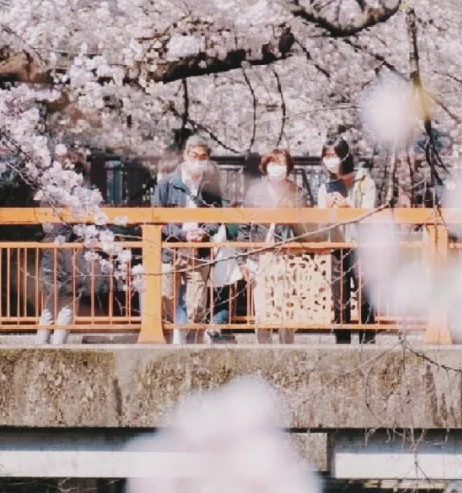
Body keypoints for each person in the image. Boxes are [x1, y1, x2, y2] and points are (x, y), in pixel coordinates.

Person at [152, 136, 230, 344]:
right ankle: (177, 334)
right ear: (185, 155)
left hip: (199, 250)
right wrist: (182, 234)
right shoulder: (166, 183)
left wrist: (205, 232)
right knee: (166, 295)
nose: (197, 160)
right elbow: (157, 219)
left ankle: (193, 341)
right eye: (193, 156)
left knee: (197, 304)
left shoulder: (210, 185)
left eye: (202, 157)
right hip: (173, 248)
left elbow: (217, 215)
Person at [244, 147, 315, 343]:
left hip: (288, 254)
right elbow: (244, 226)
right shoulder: (255, 192)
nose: (277, 168)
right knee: (262, 307)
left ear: (289, 168)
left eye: (281, 164)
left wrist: (293, 214)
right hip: (260, 253)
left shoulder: (297, 193)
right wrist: (245, 257)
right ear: (265, 167)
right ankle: (263, 349)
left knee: (287, 305)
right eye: (273, 164)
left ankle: (287, 350)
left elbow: (306, 229)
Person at [318, 136, 377, 343]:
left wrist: (347, 207)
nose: (330, 160)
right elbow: (321, 221)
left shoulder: (364, 182)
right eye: (326, 156)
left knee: (364, 293)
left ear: (344, 156)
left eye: (333, 155)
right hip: (337, 245)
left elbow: (369, 214)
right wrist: (326, 211)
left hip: (362, 246)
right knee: (339, 297)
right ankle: (342, 341)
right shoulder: (326, 187)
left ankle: (367, 339)